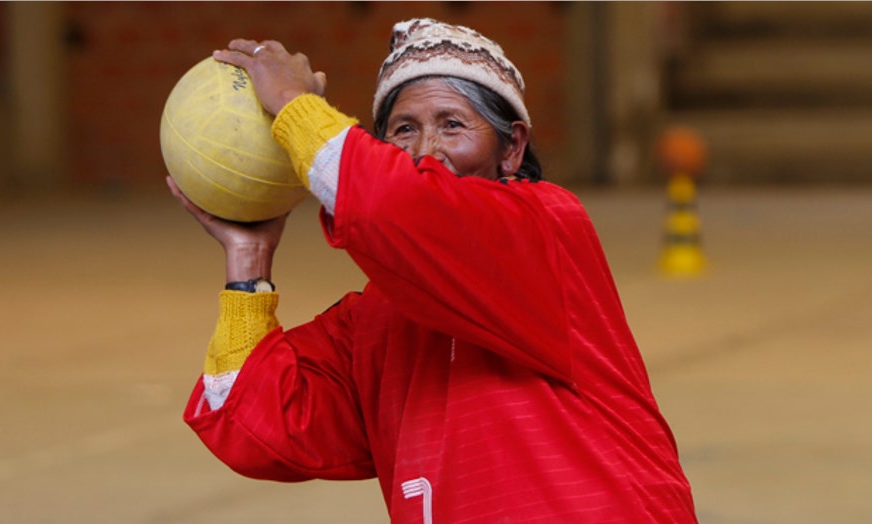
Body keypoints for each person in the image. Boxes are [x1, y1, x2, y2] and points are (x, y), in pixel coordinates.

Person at [169, 18, 698, 523]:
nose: (427, 153)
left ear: (511, 148)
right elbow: (248, 421)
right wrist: (248, 260)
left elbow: (392, 205)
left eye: (452, 124)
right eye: (404, 130)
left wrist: (294, 105)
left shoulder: (545, 229)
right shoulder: (374, 320)